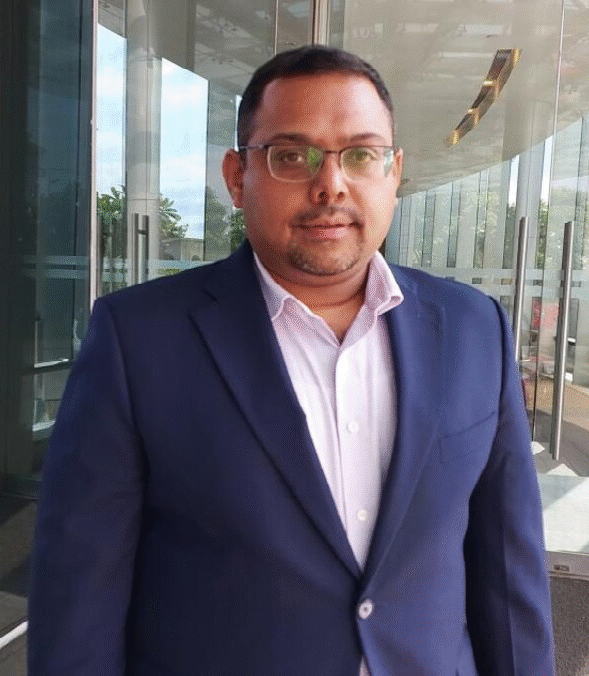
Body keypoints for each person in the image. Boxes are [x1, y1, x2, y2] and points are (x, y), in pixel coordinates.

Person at [28, 45, 555, 676]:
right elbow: (80, 595)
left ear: (393, 173)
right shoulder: (138, 339)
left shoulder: (474, 328)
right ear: (237, 177)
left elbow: (509, 566)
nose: (330, 184)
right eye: (291, 156)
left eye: (361, 155)